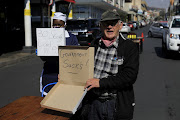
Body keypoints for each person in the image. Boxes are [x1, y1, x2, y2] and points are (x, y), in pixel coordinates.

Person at [71, 10, 139, 120]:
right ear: (100, 26)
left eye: (113, 23)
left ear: (120, 25)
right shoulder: (94, 44)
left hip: (115, 104)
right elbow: (82, 68)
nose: (109, 27)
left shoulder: (129, 47)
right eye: (106, 24)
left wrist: (100, 83)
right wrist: (70, 76)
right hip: (93, 103)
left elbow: (129, 76)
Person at [40, 12, 79, 96]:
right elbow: (43, 58)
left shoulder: (71, 38)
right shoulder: (46, 36)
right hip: (49, 74)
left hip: (67, 75)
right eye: (54, 25)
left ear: (64, 25)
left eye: (59, 25)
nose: (56, 27)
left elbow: (76, 57)